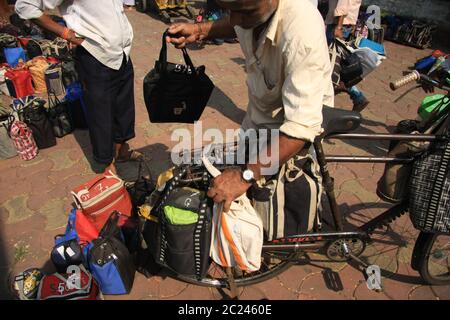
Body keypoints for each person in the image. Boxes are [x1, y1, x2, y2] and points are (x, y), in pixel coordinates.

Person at [166, 0, 334, 212]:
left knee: (275, 206)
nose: (235, 20)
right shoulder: (249, 14)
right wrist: (200, 30)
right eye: (231, 11)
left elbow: (299, 129)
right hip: (260, 116)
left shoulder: (302, 32)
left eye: (244, 12)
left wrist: (245, 175)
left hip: (291, 133)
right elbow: (234, 23)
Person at [15, 0, 142, 173]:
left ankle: (121, 150)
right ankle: (106, 164)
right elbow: (26, 6)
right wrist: (66, 33)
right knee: (101, 115)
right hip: (95, 54)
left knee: (124, 107)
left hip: (122, 53)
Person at [325, 0, 370, 112]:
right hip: (344, 23)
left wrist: (339, 26)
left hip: (339, 24)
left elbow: (343, 4)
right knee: (335, 62)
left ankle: (356, 96)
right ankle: (357, 96)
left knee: (330, 61)